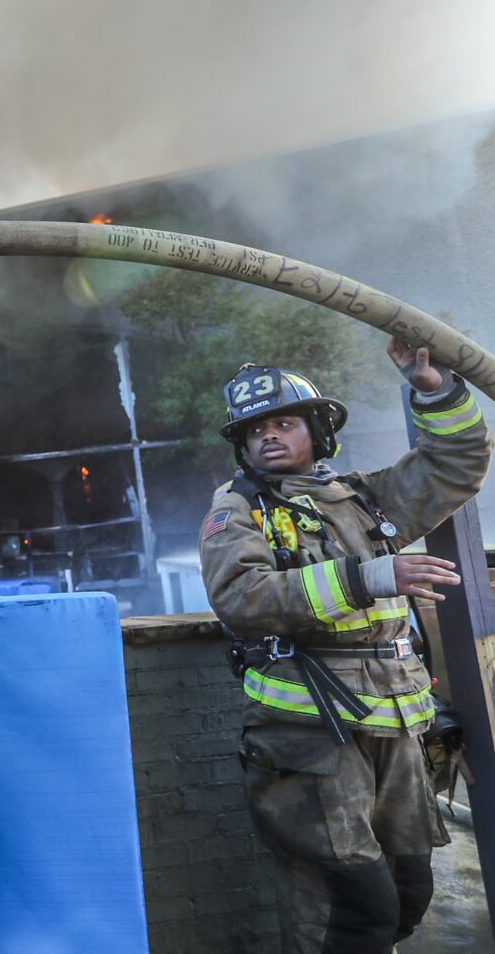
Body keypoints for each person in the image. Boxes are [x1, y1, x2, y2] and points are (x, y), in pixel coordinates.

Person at [198, 340, 491, 954]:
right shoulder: (236, 512)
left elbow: (454, 464)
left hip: (392, 725)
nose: (269, 437)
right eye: (255, 430)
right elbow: (242, 598)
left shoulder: (361, 498)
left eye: (284, 422)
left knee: (407, 893)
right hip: (306, 735)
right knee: (347, 912)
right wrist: (369, 578)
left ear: (318, 432)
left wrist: (434, 391)